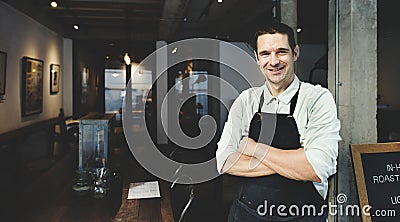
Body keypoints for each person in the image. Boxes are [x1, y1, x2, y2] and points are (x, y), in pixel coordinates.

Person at [216, 22, 341, 221]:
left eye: (281, 52)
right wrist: (296, 161)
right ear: (257, 58)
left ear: (295, 53)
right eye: (265, 54)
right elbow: (224, 162)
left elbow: (317, 168)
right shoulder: (246, 100)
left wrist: (253, 148)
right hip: (248, 214)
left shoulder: (316, 98)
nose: (273, 61)